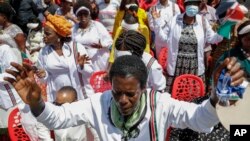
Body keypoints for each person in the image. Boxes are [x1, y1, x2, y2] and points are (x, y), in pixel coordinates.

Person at [4, 54, 245, 141]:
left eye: (131, 94)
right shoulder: (99, 102)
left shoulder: (159, 103)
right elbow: (58, 119)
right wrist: (36, 101)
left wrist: (215, 100)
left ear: (143, 88)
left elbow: (199, 120)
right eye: (117, 92)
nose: (122, 100)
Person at [151, 0, 223, 92]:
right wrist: (157, 22)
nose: (192, 6)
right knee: (175, 94)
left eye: (195, 4)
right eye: (189, 4)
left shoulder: (202, 21)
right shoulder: (174, 20)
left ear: (198, 6)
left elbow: (213, 38)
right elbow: (163, 39)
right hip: (177, 65)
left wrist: (225, 28)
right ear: (185, 6)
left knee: (192, 95)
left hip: (195, 67)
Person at [36, 11, 94, 102]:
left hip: (79, 95)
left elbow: (89, 72)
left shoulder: (76, 47)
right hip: (57, 96)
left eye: (48, 34)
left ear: (59, 35)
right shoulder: (43, 52)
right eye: (44, 33)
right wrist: (43, 75)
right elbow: (44, 79)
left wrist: (82, 66)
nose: (44, 36)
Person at [72, 0, 112, 71]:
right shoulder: (73, 29)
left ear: (89, 14)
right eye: (80, 14)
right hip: (83, 63)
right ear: (76, 16)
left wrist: (102, 45)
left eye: (85, 14)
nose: (83, 16)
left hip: (99, 62)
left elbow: (110, 43)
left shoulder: (97, 26)